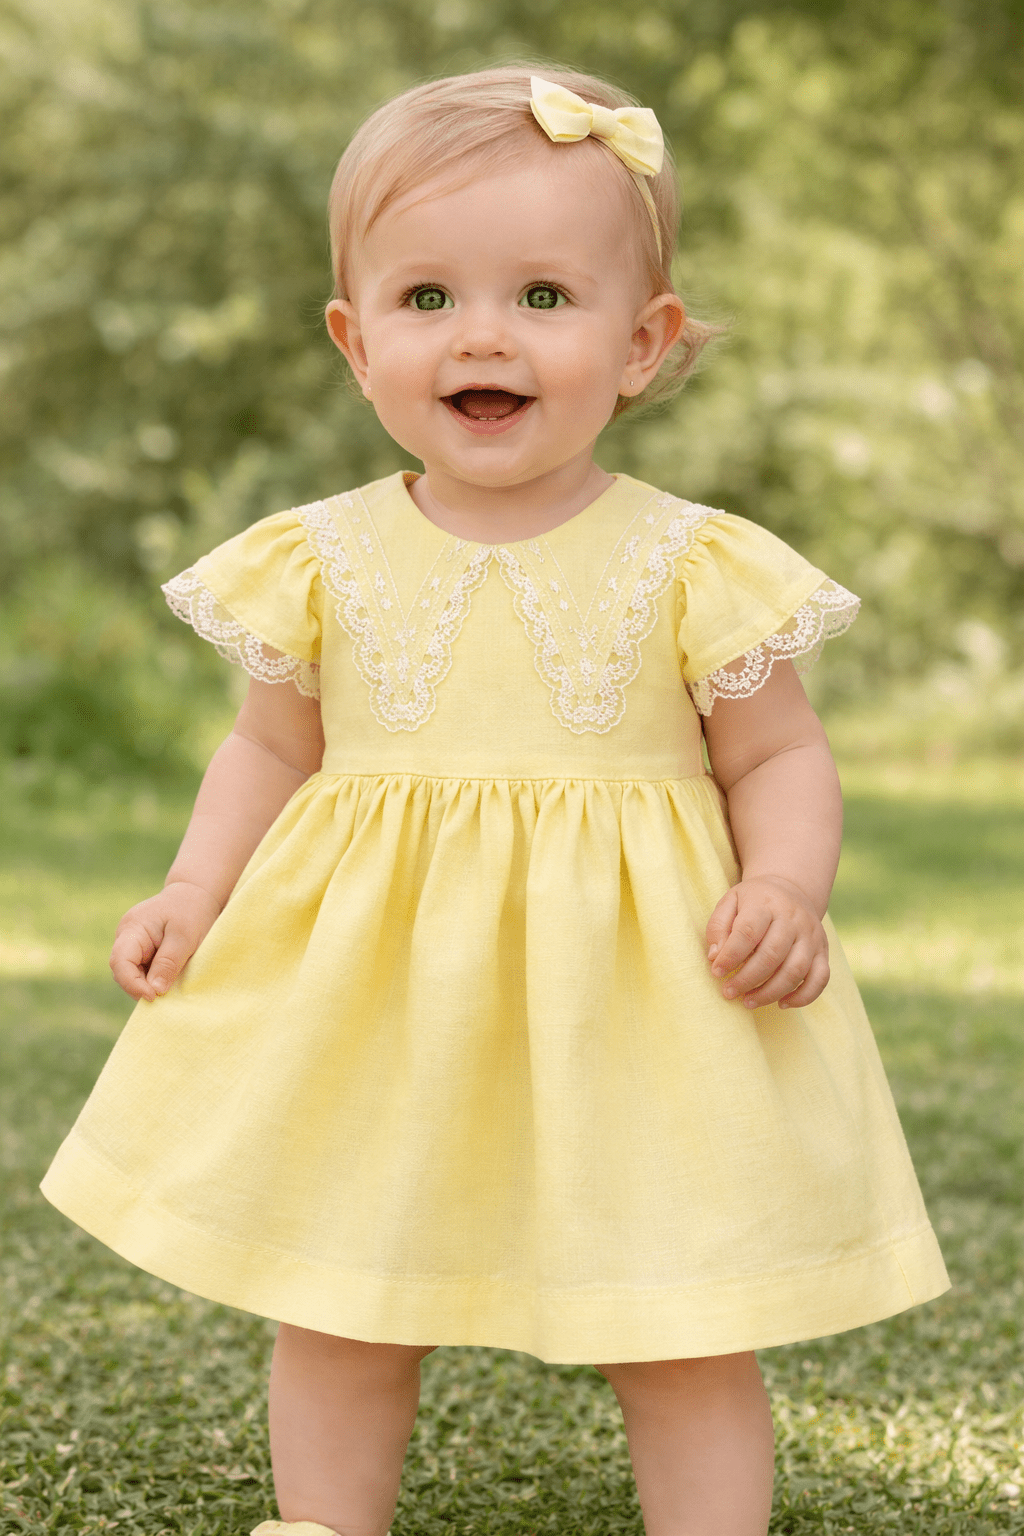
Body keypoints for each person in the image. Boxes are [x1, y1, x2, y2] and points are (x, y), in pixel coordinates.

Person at [42, 64, 949, 1536]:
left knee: (678, 1315)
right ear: (354, 341)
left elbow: (777, 753)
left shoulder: (690, 561)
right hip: (381, 997)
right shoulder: (321, 556)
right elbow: (272, 751)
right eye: (426, 301)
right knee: (341, 1295)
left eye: (543, 297)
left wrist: (785, 886)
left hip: (639, 1000)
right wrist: (194, 891)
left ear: (642, 342)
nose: (483, 336)